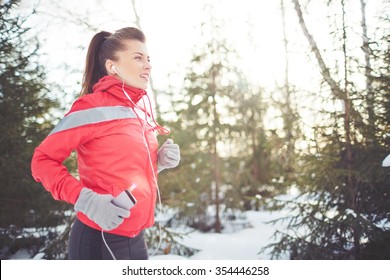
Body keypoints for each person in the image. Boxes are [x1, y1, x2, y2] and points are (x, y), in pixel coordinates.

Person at [31, 27, 180, 260]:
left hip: (133, 235)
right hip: (99, 238)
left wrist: (157, 162)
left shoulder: (137, 111)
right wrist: (87, 201)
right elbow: (42, 161)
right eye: (138, 58)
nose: (148, 65)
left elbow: (123, 169)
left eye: (148, 58)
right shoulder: (91, 107)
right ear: (113, 67)